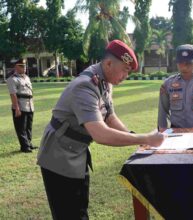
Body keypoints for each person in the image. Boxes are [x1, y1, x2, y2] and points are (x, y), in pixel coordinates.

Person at [37, 39, 165, 220]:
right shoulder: (85, 86)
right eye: (124, 70)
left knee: (80, 207)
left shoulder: (105, 82)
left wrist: (133, 137)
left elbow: (109, 116)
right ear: (108, 63)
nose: (125, 76)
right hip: (59, 155)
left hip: (76, 152)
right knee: (68, 213)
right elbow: (100, 134)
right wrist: (145, 138)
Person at [6, 58, 35, 153]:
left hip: (29, 105)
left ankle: (29, 144)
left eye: (25, 66)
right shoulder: (12, 79)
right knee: (21, 127)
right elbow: (13, 95)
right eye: (22, 66)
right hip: (20, 105)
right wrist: (17, 108)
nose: (24, 68)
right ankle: (24, 147)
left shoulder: (26, 77)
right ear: (16, 67)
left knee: (28, 127)